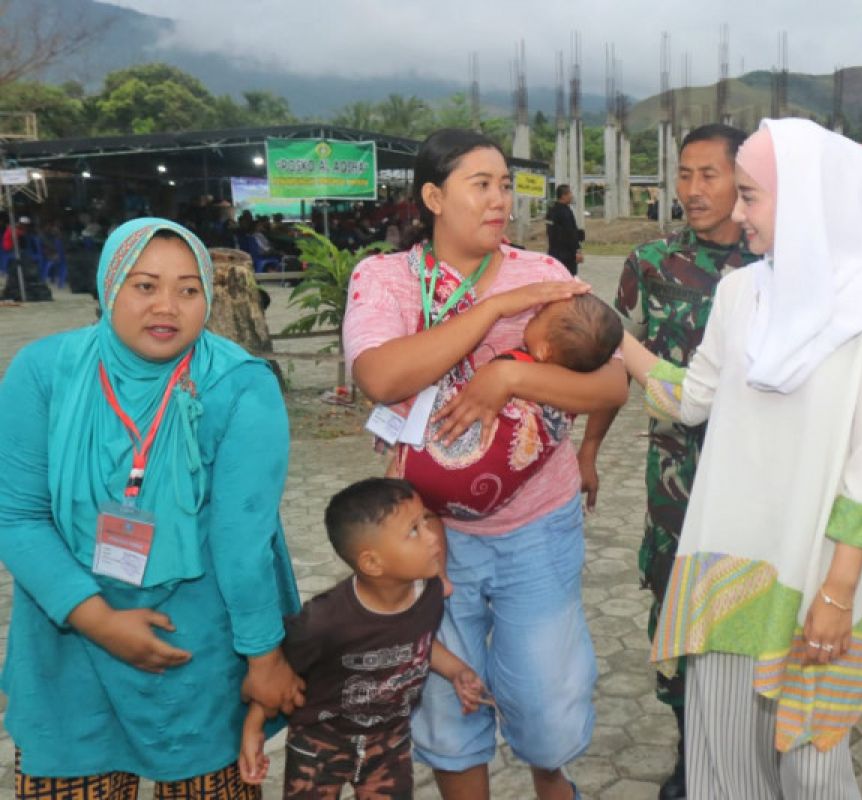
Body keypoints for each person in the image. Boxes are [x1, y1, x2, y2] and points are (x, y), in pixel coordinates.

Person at [620, 119, 862, 799]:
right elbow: (693, 399)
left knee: (813, 763)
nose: (735, 212)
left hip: (817, 574)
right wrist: (616, 340)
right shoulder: (743, 293)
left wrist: (838, 594)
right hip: (724, 561)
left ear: (810, 201)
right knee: (726, 758)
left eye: (752, 196)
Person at [342, 128, 628, 800]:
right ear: (434, 196)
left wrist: (511, 381)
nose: (500, 199)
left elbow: (611, 386)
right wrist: (495, 310)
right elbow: (381, 378)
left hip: (539, 527)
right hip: (428, 537)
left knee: (548, 694)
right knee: (447, 698)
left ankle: (552, 779)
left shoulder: (546, 276)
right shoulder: (385, 278)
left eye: (505, 184)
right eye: (482, 184)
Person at [0, 218, 303, 795]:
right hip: (69, 639)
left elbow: (242, 543)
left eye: (189, 290)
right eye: (145, 286)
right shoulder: (44, 373)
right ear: (109, 284)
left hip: (197, 643)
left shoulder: (239, 385)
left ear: (208, 298)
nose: (167, 306)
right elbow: (16, 516)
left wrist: (264, 659)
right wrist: (99, 621)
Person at [577, 122, 755, 800]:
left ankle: (748, 748)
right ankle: (692, 752)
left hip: (758, 476)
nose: (692, 189)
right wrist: (589, 447)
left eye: (708, 174)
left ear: (744, 178)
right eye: (684, 174)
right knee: (678, 606)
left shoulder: (781, 262)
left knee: (751, 603)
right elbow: (615, 361)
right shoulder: (651, 262)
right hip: (677, 477)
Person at [238, 478, 485, 798]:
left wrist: (457, 671)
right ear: (371, 562)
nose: (431, 536)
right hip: (320, 745)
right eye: (414, 530)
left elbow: (419, 643)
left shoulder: (430, 591)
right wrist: (253, 726)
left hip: (389, 744)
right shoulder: (323, 620)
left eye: (426, 520)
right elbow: (280, 673)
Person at [392, 293, 623, 519]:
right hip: (485, 502)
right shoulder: (573, 395)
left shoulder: (512, 364)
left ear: (544, 350)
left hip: (438, 484)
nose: (533, 316)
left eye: (537, 318)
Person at [546, 183, 583, 276]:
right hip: (566, 256)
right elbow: (571, 234)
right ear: (563, 196)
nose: (571, 196)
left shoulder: (551, 211)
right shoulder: (565, 212)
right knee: (568, 279)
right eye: (570, 193)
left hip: (553, 253)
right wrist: (577, 251)